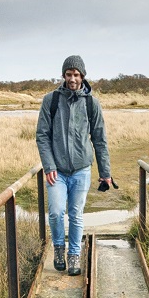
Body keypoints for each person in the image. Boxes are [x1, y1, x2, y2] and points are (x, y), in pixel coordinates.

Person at [35, 55, 113, 276]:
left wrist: (105, 172)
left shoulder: (91, 103)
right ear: (63, 76)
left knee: (76, 213)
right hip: (56, 171)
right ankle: (59, 249)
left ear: (83, 76)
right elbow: (42, 135)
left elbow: (100, 139)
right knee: (57, 212)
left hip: (81, 169)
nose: (72, 79)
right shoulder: (50, 100)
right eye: (69, 74)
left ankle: (74, 255)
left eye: (76, 74)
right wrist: (49, 166)